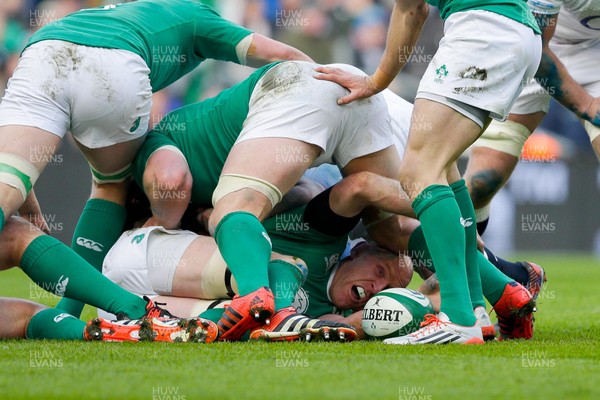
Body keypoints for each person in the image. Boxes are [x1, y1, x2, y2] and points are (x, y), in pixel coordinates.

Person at [0, 0, 312, 318]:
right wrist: (323, 79)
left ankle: (70, 311)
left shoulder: (126, 10)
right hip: (114, 62)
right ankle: (98, 309)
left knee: (7, 180)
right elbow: (283, 57)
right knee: (110, 186)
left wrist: (27, 201)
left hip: (42, 50)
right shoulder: (198, 15)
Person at [131, 60, 410, 341]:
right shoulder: (326, 236)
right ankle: (265, 303)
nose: (377, 288)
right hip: (147, 245)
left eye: (385, 292)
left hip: (152, 279)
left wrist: (411, 309)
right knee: (257, 228)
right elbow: (359, 187)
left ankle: (138, 320)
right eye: (380, 271)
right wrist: (435, 206)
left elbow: (341, 327)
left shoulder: (333, 310)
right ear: (359, 251)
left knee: (228, 306)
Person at [313, 0, 541, 344]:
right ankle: (475, 311)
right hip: (514, 32)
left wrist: (376, 81)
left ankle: (458, 318)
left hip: (483, 33)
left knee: (419, 172)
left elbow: (411, 9)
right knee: (445, 170)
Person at [463, 0, 600, 233]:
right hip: (531, 45)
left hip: (593, 53)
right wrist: (587, 104)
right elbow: (539, 48)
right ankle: (459, 264)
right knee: (482, 181)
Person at [0, 216, 218, 342]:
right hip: (140, 257)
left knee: (28, 317)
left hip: (133, 262)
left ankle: (102, 331)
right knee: (15, 233)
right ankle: (135, 310)